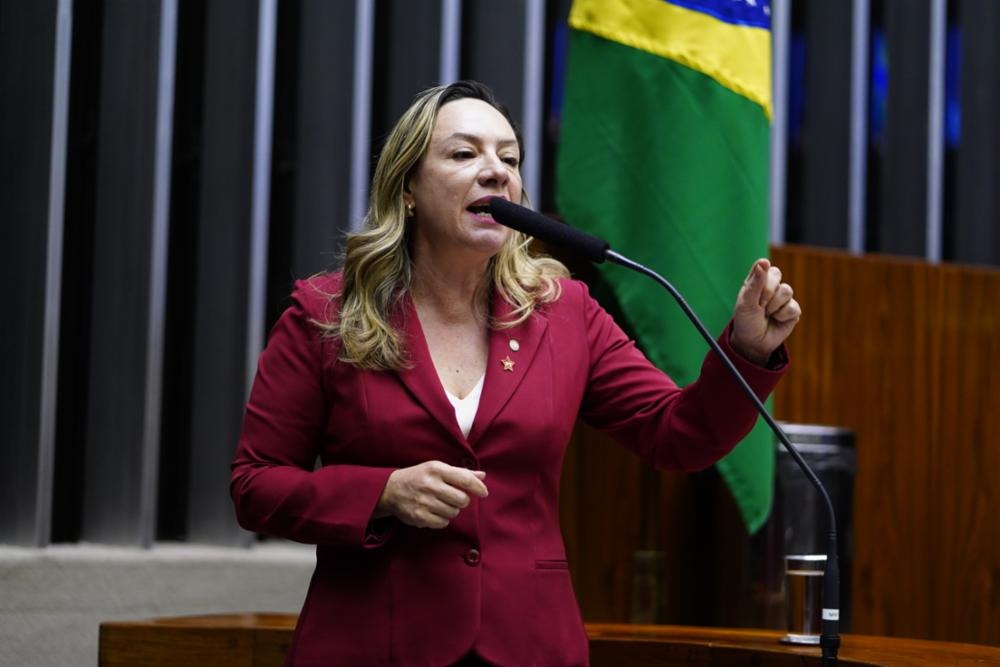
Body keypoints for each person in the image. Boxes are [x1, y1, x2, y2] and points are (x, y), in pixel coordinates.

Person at [230, 80, 800, 667]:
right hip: (374, 641)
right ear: (407, 190)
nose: (496, 171)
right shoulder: (325, 312)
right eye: (463, 153)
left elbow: (678, 434)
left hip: (529, 643)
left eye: (510, 158)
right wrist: (383, 493)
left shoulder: (566, 312)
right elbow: (256, 484)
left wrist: (747, 353)